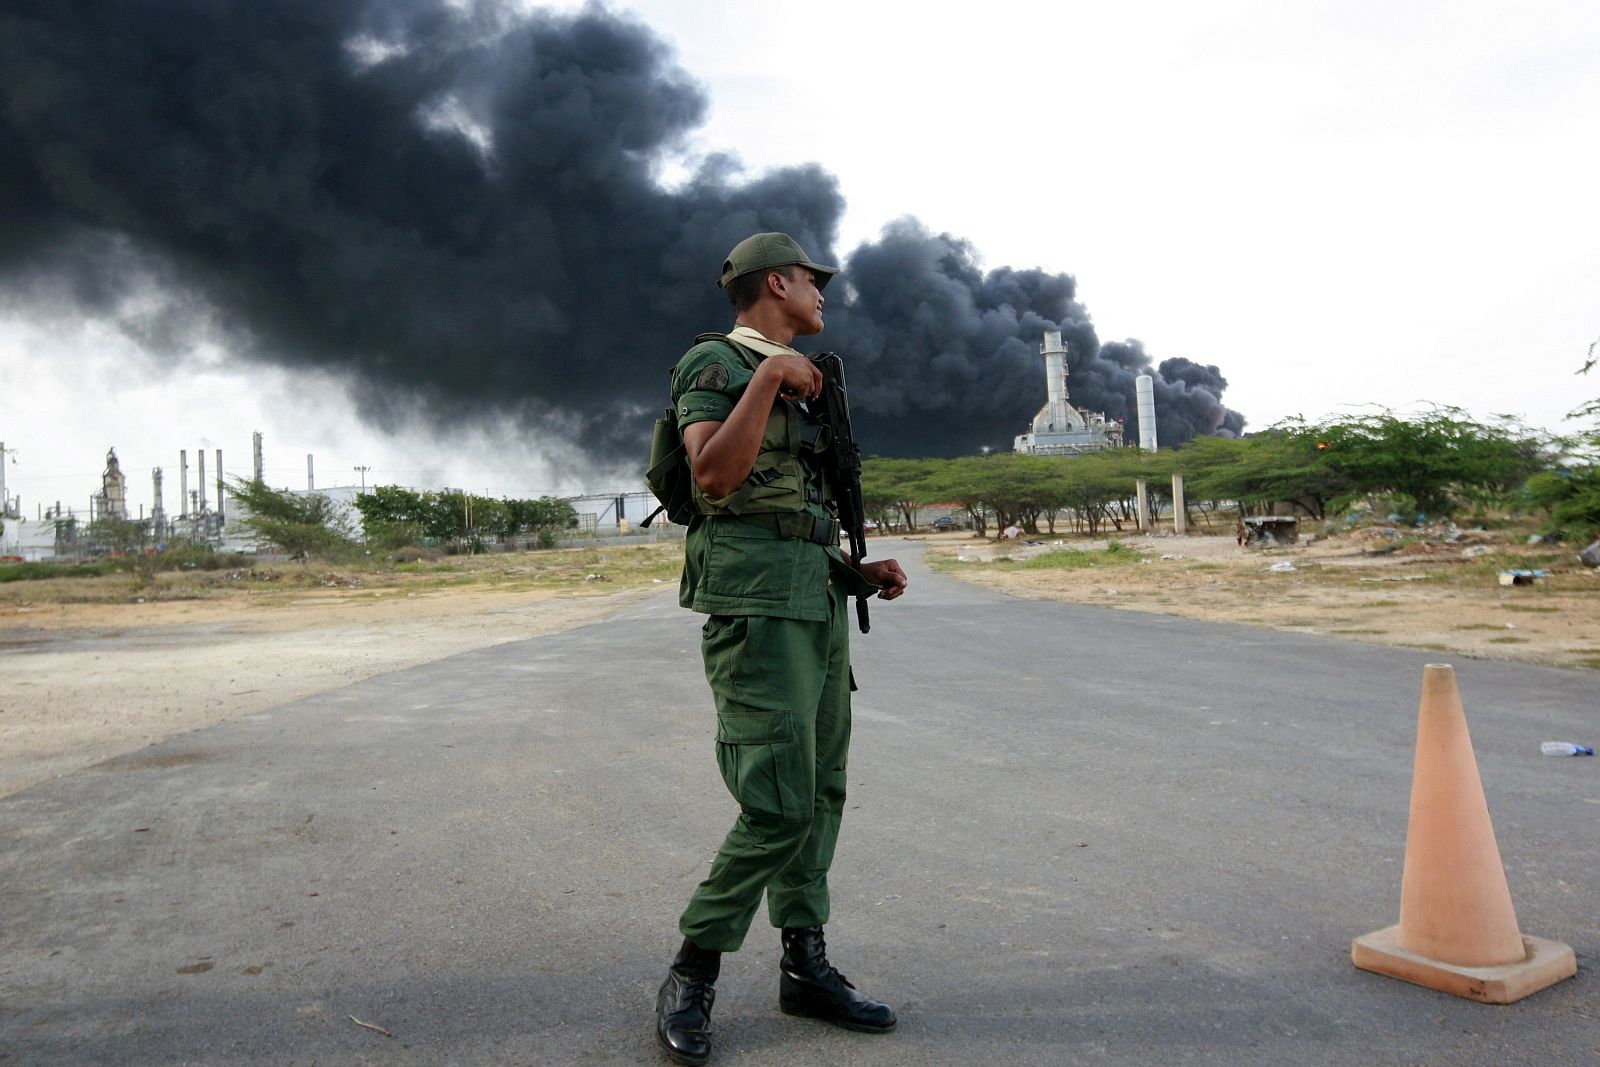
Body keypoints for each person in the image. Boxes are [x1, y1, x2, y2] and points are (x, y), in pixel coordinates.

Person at [654, 233, 909, 1066]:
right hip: (757, 606)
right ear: (774, 283)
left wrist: (855, 570)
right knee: (778, 801)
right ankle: (693, 968)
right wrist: (766, 378)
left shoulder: (810, 377)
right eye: (810, 279)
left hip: (815, 597)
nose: (821, 292)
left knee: (823, 787)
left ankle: (804, 963)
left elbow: (793, 507)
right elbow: (714, 477)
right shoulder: (718, 364)